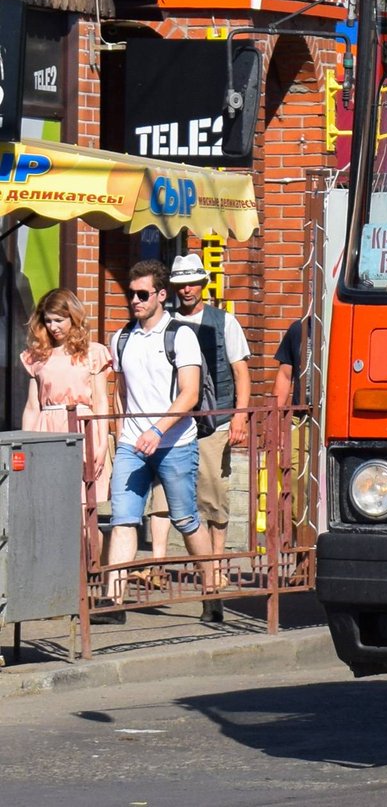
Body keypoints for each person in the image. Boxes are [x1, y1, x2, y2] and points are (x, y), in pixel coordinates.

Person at [99, 259, 217, 624]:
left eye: (142, 294)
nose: (134, 300)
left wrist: (157, 430)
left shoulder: (180, 335)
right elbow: (119, 389)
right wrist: (123, 432)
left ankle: (211, 592)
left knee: (185, 519)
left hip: (175, 443)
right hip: (133, 445)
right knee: (123, 518)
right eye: (130, 294)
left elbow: (190, 394)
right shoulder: (121, 338)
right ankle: (112, 601)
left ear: (161, 295)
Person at [144, 254, 249, 602]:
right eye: (180, 284)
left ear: (203, 284)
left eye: (192, 283)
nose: (186, 289)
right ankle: (158, 565)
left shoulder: (223, 322)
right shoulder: (165, 321)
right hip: (172, 423)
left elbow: (240, 372)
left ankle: (215, 565)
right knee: (162, 493)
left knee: (213, 494)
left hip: (213, 420)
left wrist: (239, 416)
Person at [18, 288, 112, 552]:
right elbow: (32, 406)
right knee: (51, 509)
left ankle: (91, 575)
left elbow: (101, 400)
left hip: (83, 428)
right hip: (48, 431)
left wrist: (102, 443)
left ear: (73, 317)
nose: (53, 326)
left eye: (59, 319)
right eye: (48, 320)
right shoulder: (37, 355)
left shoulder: (93, 352)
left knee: (84, 511)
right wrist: (27, 445)